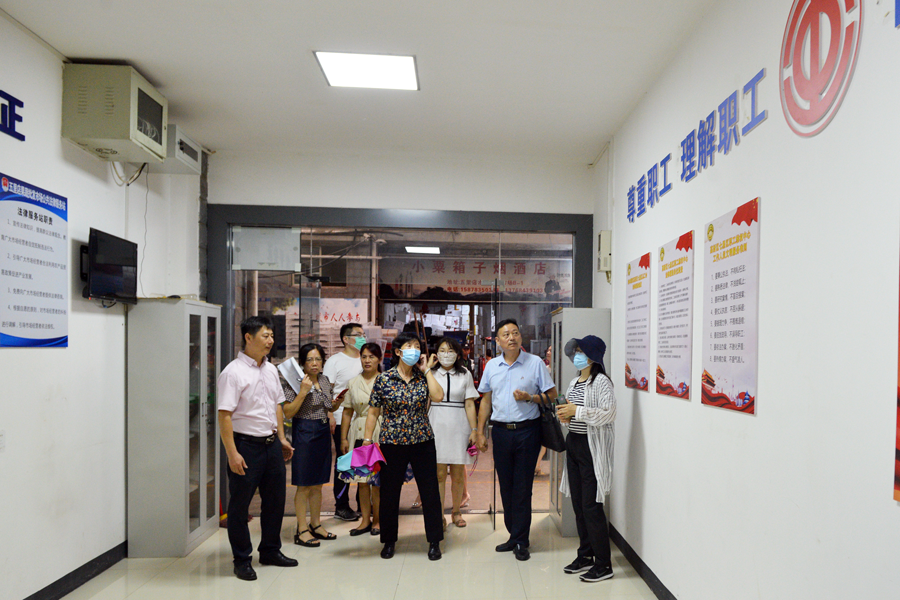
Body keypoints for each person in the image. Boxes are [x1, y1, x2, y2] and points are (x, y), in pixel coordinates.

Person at [217, 316, 298, 581]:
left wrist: (282, 438)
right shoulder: (232, 372)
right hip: (245, 446)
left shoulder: (271, 369)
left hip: (271, 444)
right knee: (240, 507)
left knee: (275, 502)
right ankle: (242, 559)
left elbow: (277, 406)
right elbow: (224, 415)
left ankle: (270, 551)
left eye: (272, 335)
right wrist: (232, 453)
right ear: (248, 337)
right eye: (265, 335)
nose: (270, 340)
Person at [475, 318, 556, 561]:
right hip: (501, 432)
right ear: (497, 341)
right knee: (506, 486)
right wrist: (480, 431)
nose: (511, 337)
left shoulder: (535, 363)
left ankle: (521, 540)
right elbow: (486, 401)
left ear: (521, 337)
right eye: (506, 334)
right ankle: (513, 534)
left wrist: (531, 398)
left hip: (527, 432)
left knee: (522, 487)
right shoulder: (492, 366)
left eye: (515, 333)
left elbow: (551, 395)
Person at [362, 332, 445, 560]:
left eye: (417, 346)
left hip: (422, 441)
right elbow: (373, 412)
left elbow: (438, 396)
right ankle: (389, 541)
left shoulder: (423, 377)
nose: (414, 350)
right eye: (410, 346)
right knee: (389, 493)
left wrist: (427, 370)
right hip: (392, 442)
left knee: (430, 492)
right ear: (398, 352)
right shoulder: (384, 379)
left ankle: (434, 541)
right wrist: (367, 441)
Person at [556, 335, 616, 583]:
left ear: (593, 356)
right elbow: (572, 414)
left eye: (581, 351)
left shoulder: (601, 382)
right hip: (575, 443)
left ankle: (604, 564)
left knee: (591, 506)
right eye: (576, 351)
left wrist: (577, 411)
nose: (577, 355)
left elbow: (608, 413)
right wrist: (565, 415)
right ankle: (586, 555)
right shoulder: (574, 382)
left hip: (592, 447)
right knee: (579, 504)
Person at [282, 343, 342, 547]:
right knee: (304, 484)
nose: (314, 363)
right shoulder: (295, 382)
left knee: (318, 483)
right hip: (304, 431)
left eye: (318, 359)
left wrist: (336, 403)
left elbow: (328, 406)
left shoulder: (324, 380)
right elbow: (288, 412)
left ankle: (316, 525)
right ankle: (301, 529)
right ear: (302, 363)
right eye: (309, 359)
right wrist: (302, 391)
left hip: (323, 431)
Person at [429, 337, 479, 529]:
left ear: (458, 355)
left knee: (458, 474)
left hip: (459, 426)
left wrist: (474, 430)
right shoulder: (430, 373)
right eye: (442, 350)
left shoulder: (465, 374)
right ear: (436, 354)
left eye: (450, 351)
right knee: (439, 474)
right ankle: (439, 514)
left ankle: (456, 512)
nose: (446, 354)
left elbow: (469, 403)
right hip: (436, 424)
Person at [340, 342, 384, 536]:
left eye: (371, 357)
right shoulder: (353, 382)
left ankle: (378, 520)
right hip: (358, 432)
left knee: (377, 480)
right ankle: (365, 520)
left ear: (379, 359)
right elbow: (347, 412)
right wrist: (343, 438)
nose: (367, 360)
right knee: (362, 480)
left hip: (380, 431)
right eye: (364, 357)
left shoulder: (385, 380)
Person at [323, 322, 366, 522]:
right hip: (342, 419)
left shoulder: (365, 359)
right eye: (358, 334)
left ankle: (363, 504)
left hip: (364, 420)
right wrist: (330, 414)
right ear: (345, 339)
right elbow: (326, 390)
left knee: (364, 463)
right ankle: (341, 506)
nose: (362, 337)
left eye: (363, 334)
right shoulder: (335, 361)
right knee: (345, 462)